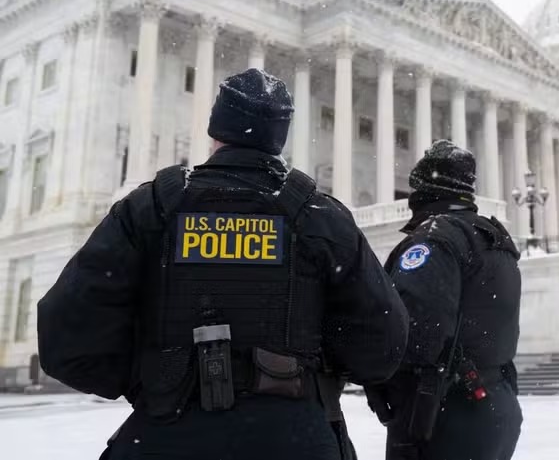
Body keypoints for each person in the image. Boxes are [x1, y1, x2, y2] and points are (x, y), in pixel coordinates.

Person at [37, 68, 409, 460]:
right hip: (295, 437)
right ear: (278, 141)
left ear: (216, 134)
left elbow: (67, 336)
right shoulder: (321, 216)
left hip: (166, 435)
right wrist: (311, 372)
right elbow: (383, 343)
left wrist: (155, 379)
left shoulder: (149, 209)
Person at [366, 140, 523, 460]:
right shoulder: (494, 240)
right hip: (493, 402)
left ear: (423, 189)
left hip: (442, 411)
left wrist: (377, 377)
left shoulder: (435, 238)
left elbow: (414, 332)